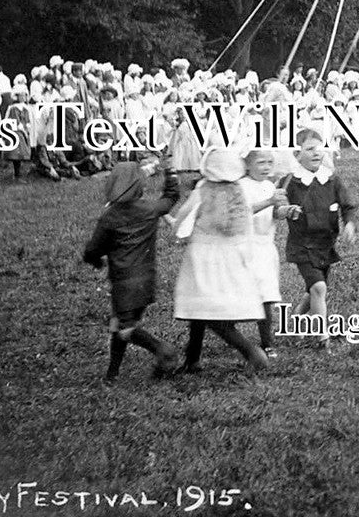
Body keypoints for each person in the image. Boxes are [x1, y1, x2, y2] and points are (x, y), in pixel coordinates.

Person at [82, 156, 181, 384]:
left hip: (123, 282)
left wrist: (96, 261)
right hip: (147, 279)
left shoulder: (110, 217)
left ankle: (163, 350)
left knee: (125, 329)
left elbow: (92, 250)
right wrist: (171, 172)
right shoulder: (149, 209)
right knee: (118, 324)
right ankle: (112, 374)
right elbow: (171, 198)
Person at [172, 148, 270, 374]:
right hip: (232, 258)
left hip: (204, 258)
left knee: (208, 312)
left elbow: (185, 217)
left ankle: (253, 353)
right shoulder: (238, 190)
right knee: (202, 310)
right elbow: (246, 223)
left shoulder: (203, 190)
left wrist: (177, 228)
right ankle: (192, 358)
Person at [279, 128, 358, 352]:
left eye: (320, 148)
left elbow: (347, 205)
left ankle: (294, 319)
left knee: (313, 289)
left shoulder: (331, 179)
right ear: (296, 154)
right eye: (309, 149)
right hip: (301, 244)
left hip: (326, 243)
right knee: (319, 288)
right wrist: (284, 209)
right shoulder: (290, 182)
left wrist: (349, 223)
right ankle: (322, 338)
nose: (316, 153)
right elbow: (276, 206)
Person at [238, 150, 291, 359]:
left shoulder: (269, 186)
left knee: (267, 296)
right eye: (261, 162)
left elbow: (274, 214)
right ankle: (232, 337)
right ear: (247, 166)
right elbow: (242, 212)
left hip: (266, 247)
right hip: (246, 246)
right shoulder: (241, 186)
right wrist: (270, 201)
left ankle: (267, 343)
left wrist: (285, 211)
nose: (267, 167)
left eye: (270, 162)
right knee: (242, 294)